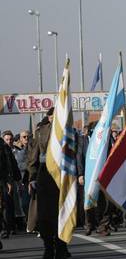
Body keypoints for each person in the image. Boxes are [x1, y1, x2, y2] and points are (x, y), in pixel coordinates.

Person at [27, 107, 70, 258]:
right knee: (44, 214)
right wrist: (32, 178)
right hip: (45, 175)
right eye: (51, 116)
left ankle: (61, 246)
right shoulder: (41, 131)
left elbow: (73, 153)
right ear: (49, 117)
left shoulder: (67, 130)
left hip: (63, 175)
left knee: (62, 213)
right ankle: (48, 247)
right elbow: (34, 157)